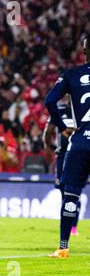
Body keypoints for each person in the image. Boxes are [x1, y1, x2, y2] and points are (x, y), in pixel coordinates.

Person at [44, 36, 90, 259]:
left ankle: (63, 247)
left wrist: (62, 126)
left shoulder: (72, 75)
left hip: (81, 141)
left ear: (84, 50)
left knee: (70, 194)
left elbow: (49, 101)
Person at [42, 97, 80, 235]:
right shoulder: (59, 110)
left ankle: (73, 228)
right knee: (63, 191)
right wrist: (50, 148)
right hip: (62, 156)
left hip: (78, 155)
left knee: (73, 191)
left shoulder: (84, 109)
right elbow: (48, 132)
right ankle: (68, 225)